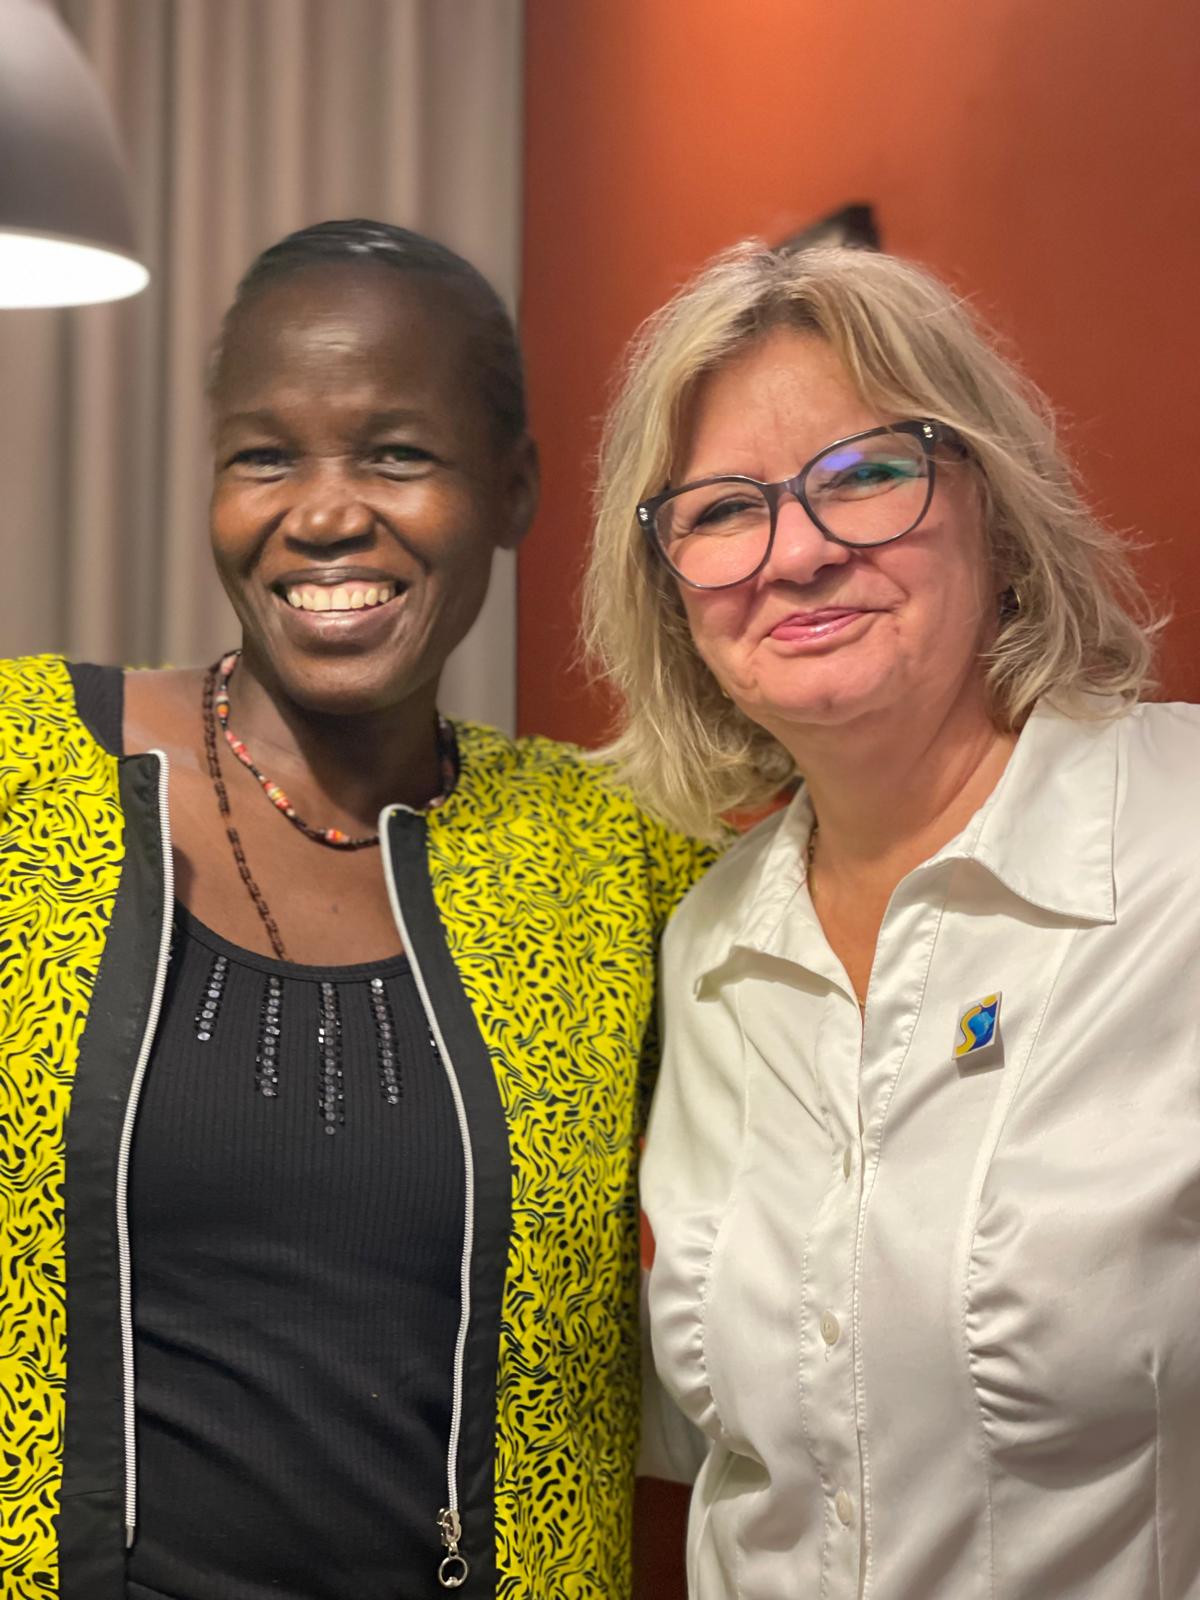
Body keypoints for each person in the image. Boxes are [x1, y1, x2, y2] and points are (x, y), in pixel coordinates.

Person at [0, 219, 712, 1600]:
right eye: (265, 456)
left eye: (396, 454)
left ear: (513, 488)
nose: (323, 513)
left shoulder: (611, 856)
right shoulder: (26, 769)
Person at [584, 241, 1200, 1599]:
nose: (799, 553)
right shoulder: (709, 945)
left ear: (997, 507)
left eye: (867, 473)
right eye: (723, 510)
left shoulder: (1183, 849)